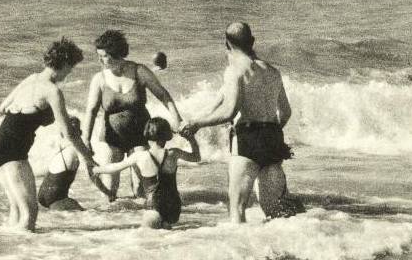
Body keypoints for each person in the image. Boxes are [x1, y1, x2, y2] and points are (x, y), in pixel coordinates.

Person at [180, 22, 298, 223]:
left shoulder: (235, 71)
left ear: (228, 44)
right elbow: (286, 112)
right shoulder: (272, 71)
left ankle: (246, 253)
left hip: (247, 138)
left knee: (238, 209)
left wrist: (197, 125)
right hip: (272, 137)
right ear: (252, 42)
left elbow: (229, 111)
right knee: (274, 210)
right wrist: (271, 135)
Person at [0, 37, 97, 231]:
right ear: (64, 64)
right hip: (14, 151)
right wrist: (87, 158)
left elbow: (4, 107)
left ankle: (9, 244)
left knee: (17, 209)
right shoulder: (52, 91)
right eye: (70, 68)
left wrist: (32, 114)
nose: (69, 74)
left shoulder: (31, 78)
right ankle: (23, 255)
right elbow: (68, 133)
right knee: (30, 213)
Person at [82, 30, 183, 200]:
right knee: (109, 191)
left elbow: (163, 95)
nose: (99, 60)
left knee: (141, 189)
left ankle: (144, 224)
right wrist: (86, 140)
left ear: (117, 54)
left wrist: (177, 119)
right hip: (112, 137)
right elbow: (91, 112)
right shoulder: (99, 79)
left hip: (140, 136)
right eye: (98, 55)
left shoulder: (139, 71)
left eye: (104, 56)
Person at [93, 117, 200, 228]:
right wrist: (191, 139)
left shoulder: (140, 156)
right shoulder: (174, 153)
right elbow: (197, 157)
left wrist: (97, 170)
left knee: (146, 240)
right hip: (174, 207)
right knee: (168, 237)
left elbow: (115, 167)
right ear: (167, 136)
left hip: (154, 206)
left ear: (147, 135)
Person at [37, 116, 85, 211]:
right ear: (80, 132)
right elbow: (92, 173)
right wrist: (108, 192)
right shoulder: (77, 151)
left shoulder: (59, 146)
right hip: (56, 198)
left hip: (42, 194)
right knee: (92, 214)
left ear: (62, 134)